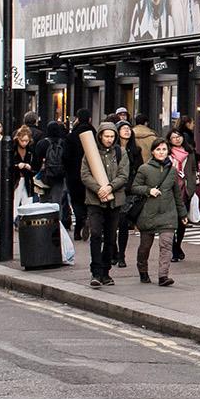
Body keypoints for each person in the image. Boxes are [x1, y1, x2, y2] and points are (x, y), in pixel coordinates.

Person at [81, 120, 132, 288]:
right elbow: (85, 174)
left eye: (112, 136)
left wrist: (110, 187)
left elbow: (124, 175)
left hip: (114, 201)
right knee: (96, 234)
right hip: (95, 200)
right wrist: (99, 189)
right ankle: (95, 272)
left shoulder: (120, 152)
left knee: (111, 237)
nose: (109, 139)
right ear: (100, 136)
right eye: (106, 136)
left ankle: (105, 272)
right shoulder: (91, 152)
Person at [128, 135, 181, 286]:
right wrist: (148, 190)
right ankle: (143, 270)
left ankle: (163, 276)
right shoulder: (144, 169)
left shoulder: (172, 170)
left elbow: (176, 193)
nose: (162, 152)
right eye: (158, 149)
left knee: (166, 245)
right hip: (148, 213)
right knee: (145, 246)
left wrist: (182, 214)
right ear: (152, 152)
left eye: (164, 149)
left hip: (168, 213)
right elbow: (134, 187)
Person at [112, 115, 139, 261]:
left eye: (129, 128)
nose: (127, 131)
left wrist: (133, 185)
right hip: (114, 188)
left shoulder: (136, 149)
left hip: (129, 191)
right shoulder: (113, 150)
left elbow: (139, 169)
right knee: (112, 223)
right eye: (123, 128)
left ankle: (121, 254)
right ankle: (113, 251)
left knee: (123, 222)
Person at [65, 113, 93, 238]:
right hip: (92, 173)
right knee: (90, 199)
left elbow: (65, 156)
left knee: (76, 201)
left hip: (74, 174)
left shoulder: (72, 136)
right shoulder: (95, 134)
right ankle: (87, 218)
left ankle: (79, 225)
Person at [167, 127, 192, 262]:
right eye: (174, 137)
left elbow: (193, 170)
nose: (177, 139)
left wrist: (192, 187)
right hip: (171, 190)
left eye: (179, 136)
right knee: (171, 221)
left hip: (185, 190)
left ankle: (178, 245)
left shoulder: (189, 152)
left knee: (182, 221)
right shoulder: (167, 153)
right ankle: (174, 249)